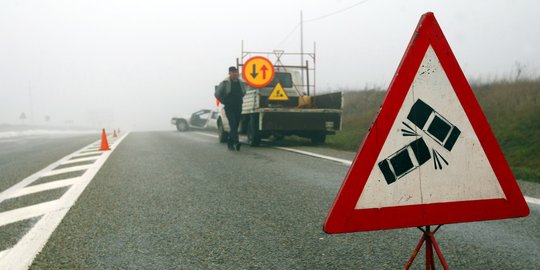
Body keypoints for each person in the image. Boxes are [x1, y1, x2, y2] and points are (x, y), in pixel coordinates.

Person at [215, 66, 247, 151]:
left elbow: (244, 92)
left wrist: (240, 98)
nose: (235, 74)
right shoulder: (225, 82)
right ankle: (236, 142)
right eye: (233, 72)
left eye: (236, 72)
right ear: (230, 73)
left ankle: (230, 142)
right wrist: (223, 101)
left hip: (238, 106)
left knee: (235, 125)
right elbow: (217, 93)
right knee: (232, 123)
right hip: (229, 106)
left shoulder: (241, 82)